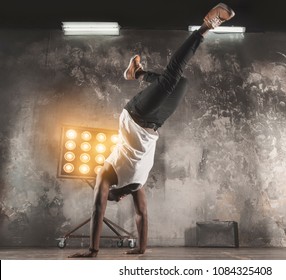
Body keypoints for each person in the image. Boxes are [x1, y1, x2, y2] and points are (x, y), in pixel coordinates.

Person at [69, 3, 235, 258]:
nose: (123, 199)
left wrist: (92, 250)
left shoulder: (105, 173)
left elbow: (96, 210)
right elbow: (142, 214)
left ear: (111, 193)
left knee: (171, 77)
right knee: (181, 83)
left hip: (136, 115)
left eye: (116, 197)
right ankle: (137, 73)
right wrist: (141, 248)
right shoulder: (137, 182)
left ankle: (205, 28)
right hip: (155, 123)